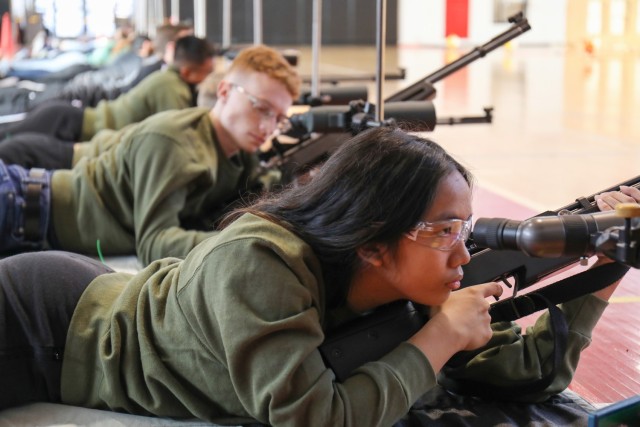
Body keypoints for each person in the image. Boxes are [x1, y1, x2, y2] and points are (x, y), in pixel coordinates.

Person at [0, 126, 628, 426]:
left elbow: (529, 376)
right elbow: (311, 418)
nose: (463, 251)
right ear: (374, 241)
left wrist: (603, 264)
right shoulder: (259, 261)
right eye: (443, 230)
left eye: (466, 228)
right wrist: (437, 340)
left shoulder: (409, 287)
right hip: (44, 324)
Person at [0, 44, 300, 265]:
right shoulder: (175, 141)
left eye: (278, 118)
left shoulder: (238, 156)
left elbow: (262, 186)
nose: (268, 126)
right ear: (224, 92)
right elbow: (155, 243)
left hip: (30, 219)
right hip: (18, 205)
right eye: (260, 107)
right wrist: (252, 241)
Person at [0, 34, 215, 145]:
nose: (209, 77)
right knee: (7, 135)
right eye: (206, 72)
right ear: (187, 71)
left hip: (70, 118)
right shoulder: (171, 88)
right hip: (67, 121)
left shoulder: (167, 79)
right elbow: (177, 136)